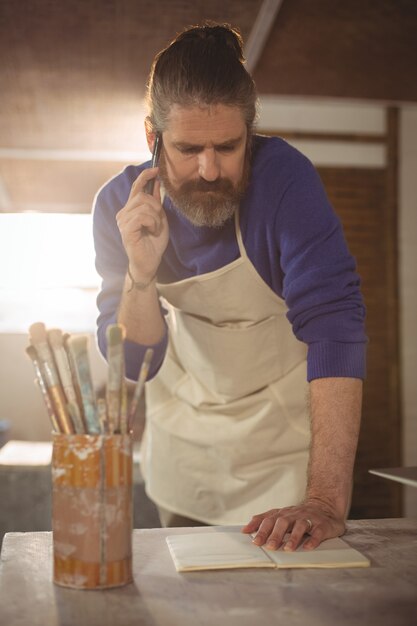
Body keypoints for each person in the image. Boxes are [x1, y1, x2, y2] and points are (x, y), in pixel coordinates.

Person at [93, 23, 366, 552]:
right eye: (189, 147)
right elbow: (133, 364)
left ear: (252, 132)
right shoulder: (117, 208)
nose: (211, 169)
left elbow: (336, 326)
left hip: (280, 452)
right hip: (184, 449)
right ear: (152, 138)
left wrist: (326, 501)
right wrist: (141, 274)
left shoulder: (285, 183)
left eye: (228, 146)